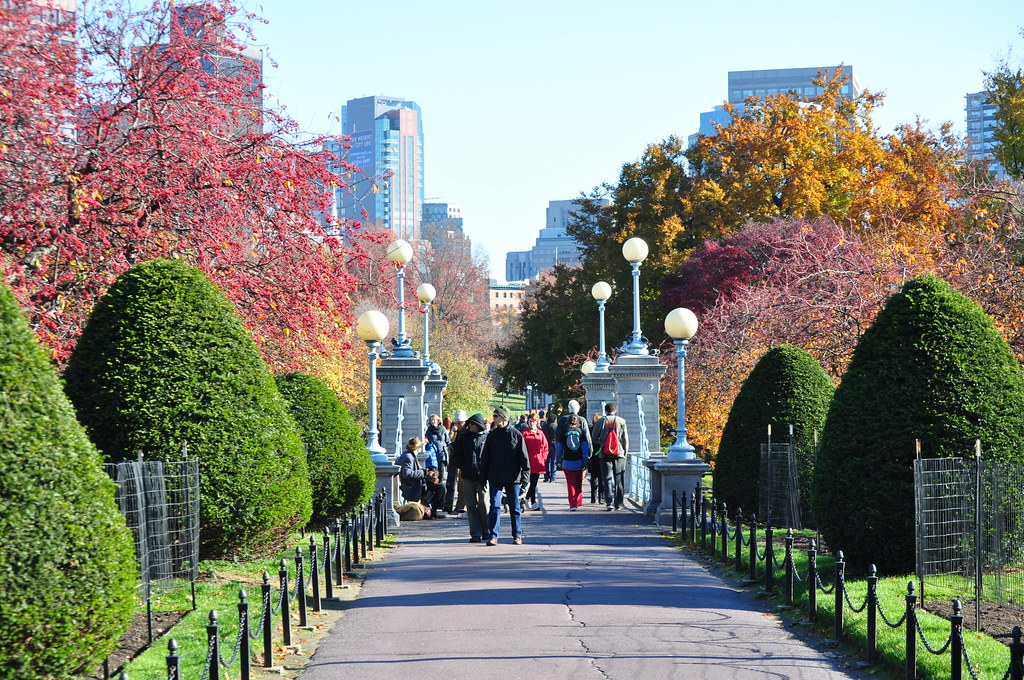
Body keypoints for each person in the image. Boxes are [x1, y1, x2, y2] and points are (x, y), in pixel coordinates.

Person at [479, 406, 529, 545]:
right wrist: (482, 478)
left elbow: (524, 458)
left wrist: (525, 479)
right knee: (494, 506)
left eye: (496, 417)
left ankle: (517, 535)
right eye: (494, 417)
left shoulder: (516, 435)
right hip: (495, 476)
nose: (494, 420)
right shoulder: (492, 436)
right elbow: (485, 458)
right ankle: (493, 535)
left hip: (513, 477)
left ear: (504, 418)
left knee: (515, 507)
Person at [449, 413, 489, 542]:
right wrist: (462, 466)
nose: (470, 426)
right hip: (467, 475)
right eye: (469, 424)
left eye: (472, 424)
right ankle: (475, 534)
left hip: (483, 476)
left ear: (478, 425)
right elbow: (457, 455)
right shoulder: (464, 437)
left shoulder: (486, 437)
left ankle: (486, 530)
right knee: (471, 505)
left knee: (484, 504)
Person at [592, 402, 629, 511]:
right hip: (619, 454)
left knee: (607, 478)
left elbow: (594, 438)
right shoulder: (621, 421)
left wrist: (603, 442)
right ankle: (619, 503)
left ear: (605, 411)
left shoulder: (601, 421)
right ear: (615, 410)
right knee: (619, 478)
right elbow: (625, 439)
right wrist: (625, 452)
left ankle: (609, 503)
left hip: (605, 453)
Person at [397, 437, 445, 518]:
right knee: (440, 488)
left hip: (418, 483)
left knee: (441, 487)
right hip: (412, 486)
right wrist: (423, 472)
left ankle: (434, 510)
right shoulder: (408, 457)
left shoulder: (411, 455)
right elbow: (407, 474)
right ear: (417, 448)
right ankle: (433, 511)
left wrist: (426, 472)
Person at [555, 399, 591, 485]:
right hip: (580, 455)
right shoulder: (582, 420)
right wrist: (590, 452)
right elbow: (587, 437)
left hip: (566, 456)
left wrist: (558, 458)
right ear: (578, 409)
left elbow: (558, 437)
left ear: (568, 408)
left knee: (570, 482)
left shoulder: (562, 420)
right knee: (579, 482)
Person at [560, 414, 590, 510]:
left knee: (570, 483)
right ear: (578, 423)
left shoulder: (563, 432)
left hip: (567, 462)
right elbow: (585, 448)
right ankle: (578, 501)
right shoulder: (581, 432)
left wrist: (558, 460)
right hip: (579, 461)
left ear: (567, 422)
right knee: (578, 483)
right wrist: (585, 461)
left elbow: (559, 448)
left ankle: (573, 504)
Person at [522, 413, 549, 510]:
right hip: (527, 462)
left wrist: (543, 457)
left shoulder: (540, 433)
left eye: (533, 421)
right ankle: (531, 501)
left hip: (538, 461)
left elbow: (545, 447)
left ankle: (528, 499)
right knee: (528, 483)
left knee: (534, 483)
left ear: (537, 422)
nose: (532, 423)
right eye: (530, 421)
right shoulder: (524, 433)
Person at [424, 413, 452, 510]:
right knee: (433, 478)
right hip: (433, 457)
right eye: (431, 420)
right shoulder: (429, 430)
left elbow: (448, 441)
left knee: (441, 477)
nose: (433, 422)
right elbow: (426, 440)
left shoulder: (443, 429)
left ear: (438, 421)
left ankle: (440, 503)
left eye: (434, 420)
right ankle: (434, 501)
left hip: (441, 455)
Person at [445, 410, 468, 513]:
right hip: (458, 461)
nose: (458, 425)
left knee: (463, 486)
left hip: (464, 463)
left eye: (460, 423)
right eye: (456, 423)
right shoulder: (459, 432)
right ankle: (459, 505)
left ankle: (461, 506)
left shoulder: (466, 432)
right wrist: (452, 445)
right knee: (459, 485)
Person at [539, 412, 558, 482]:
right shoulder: (556, 426)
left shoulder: (544, 427)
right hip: (554, 444)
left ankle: (546, 476)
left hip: (546, 444)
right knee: (553, 461)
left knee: (546, 461)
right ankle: (553, 478)